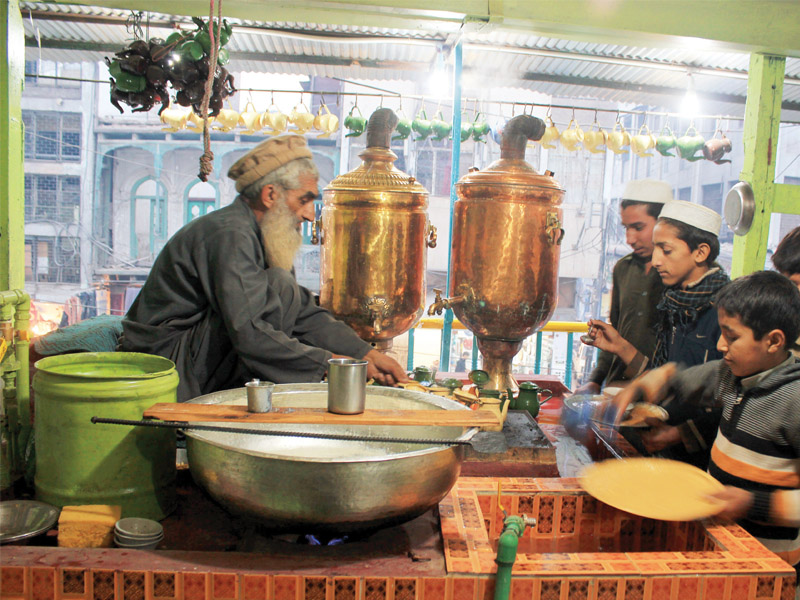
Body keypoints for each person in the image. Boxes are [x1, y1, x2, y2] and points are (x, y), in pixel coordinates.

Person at [120, 135, 408, 402]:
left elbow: (303, 314)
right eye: (304, 200)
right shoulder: (230, 233)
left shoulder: (262, 235)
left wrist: (364, 353)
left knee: (281, 285)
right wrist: (334, 365)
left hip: (191, 354)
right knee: (277, 288)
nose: (310, 215)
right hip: (165, 361)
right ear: (270, 195)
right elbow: (250, 332)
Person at [612, 271, 800, 567]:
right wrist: (639, 386)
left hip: (770, 565)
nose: (722, 345)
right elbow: (675, 376)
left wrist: (753, 503)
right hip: (720, 544)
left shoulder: (794, 400)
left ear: (774, 341)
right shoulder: (730, 375)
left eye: (732, 336)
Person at [576, 179, 669, 394]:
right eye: (626, 228)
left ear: (663, 224)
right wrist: (596, 380)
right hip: (617, 388)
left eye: (638, 228)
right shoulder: (623, 269)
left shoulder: (675, 277)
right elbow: (615, 330)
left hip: (656, 392)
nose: (630, 238)